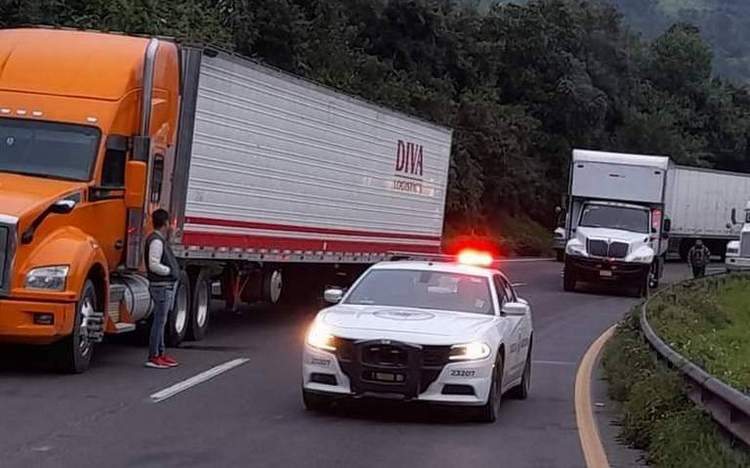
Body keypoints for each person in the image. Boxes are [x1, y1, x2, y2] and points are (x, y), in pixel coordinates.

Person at [144, 209, 180, 369]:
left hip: (163, 286)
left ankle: (160, 352)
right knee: (159, 322)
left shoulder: (159, 239)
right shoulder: (156, 241)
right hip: (161, 286)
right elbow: (154, 264)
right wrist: (169, 271)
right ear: (165, 223)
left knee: (162, 321)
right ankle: (154, 356)